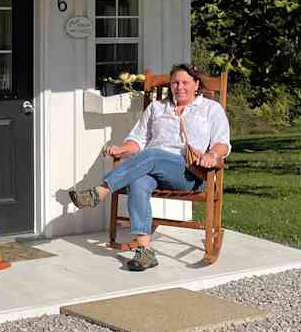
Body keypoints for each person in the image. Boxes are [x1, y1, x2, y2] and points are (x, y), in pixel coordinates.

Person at [66, 63, 230, 271]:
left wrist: (212, 155)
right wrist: (120, 149)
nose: (179, 87)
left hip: (188, 172)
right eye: (175, 83)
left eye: (185, 83)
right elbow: (137, 140)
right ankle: (145, 251)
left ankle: (100, 191)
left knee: (152, 154)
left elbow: (222, 142)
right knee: (137, 181)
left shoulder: (210, 109)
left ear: (196, 84)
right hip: (152, 167)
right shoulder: (157, 107)